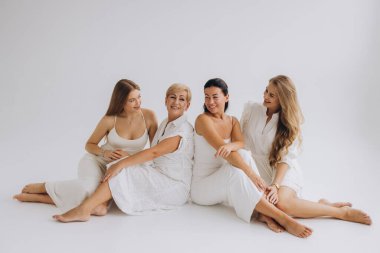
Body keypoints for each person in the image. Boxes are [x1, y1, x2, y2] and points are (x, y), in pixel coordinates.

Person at [240, 75, 372, 225]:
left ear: (283, 99)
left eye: (272, 95)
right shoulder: (251, 109)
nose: (265, 96)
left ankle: (340, 212)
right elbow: (239, 141)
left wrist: (276, 186)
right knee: (270, 206)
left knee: (282, 204)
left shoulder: (289, 124)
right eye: (266, 91)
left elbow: (286, 159)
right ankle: (322, 205)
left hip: (282, 170)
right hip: (258, 169)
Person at [52, 83, 194, 222]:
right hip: (151, 171)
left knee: (121, 169)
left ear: (187, 105)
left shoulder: (182, 130)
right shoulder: (165, 123)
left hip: (174, 185)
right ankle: (99, 205)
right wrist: (114, 158)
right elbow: (90, 144)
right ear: (165, 100)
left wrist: (120, 164)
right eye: (172, 97)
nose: (176, 102)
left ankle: (83, 209)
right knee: (103, 181)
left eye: (182, 99)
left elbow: (153, 153)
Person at [14, 79, 158, 215]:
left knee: (100, 202)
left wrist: (130, 157)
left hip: (123, 167)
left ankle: (43, 198)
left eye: (139, 97)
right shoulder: (110, 119)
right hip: (98, 162)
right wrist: (105, 152)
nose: (138, 103)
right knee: (88, 190)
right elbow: (89, 145)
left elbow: (155, 150)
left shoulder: (149, 116)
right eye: (131, 100)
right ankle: (44, 187)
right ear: (121, 102)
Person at [190, 78, 312, 238]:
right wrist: (254, 176)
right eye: (206, 97)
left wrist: (232, 146)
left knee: (244, 155)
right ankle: (282, 217)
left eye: (215, 96)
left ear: (226, 97)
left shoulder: (232, 121)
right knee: (236, 171)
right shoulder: (203, 120)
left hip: (222, 181)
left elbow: (240, 144)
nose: (210, 102)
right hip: (202, 188)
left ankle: (263, 214)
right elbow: (226, 152)